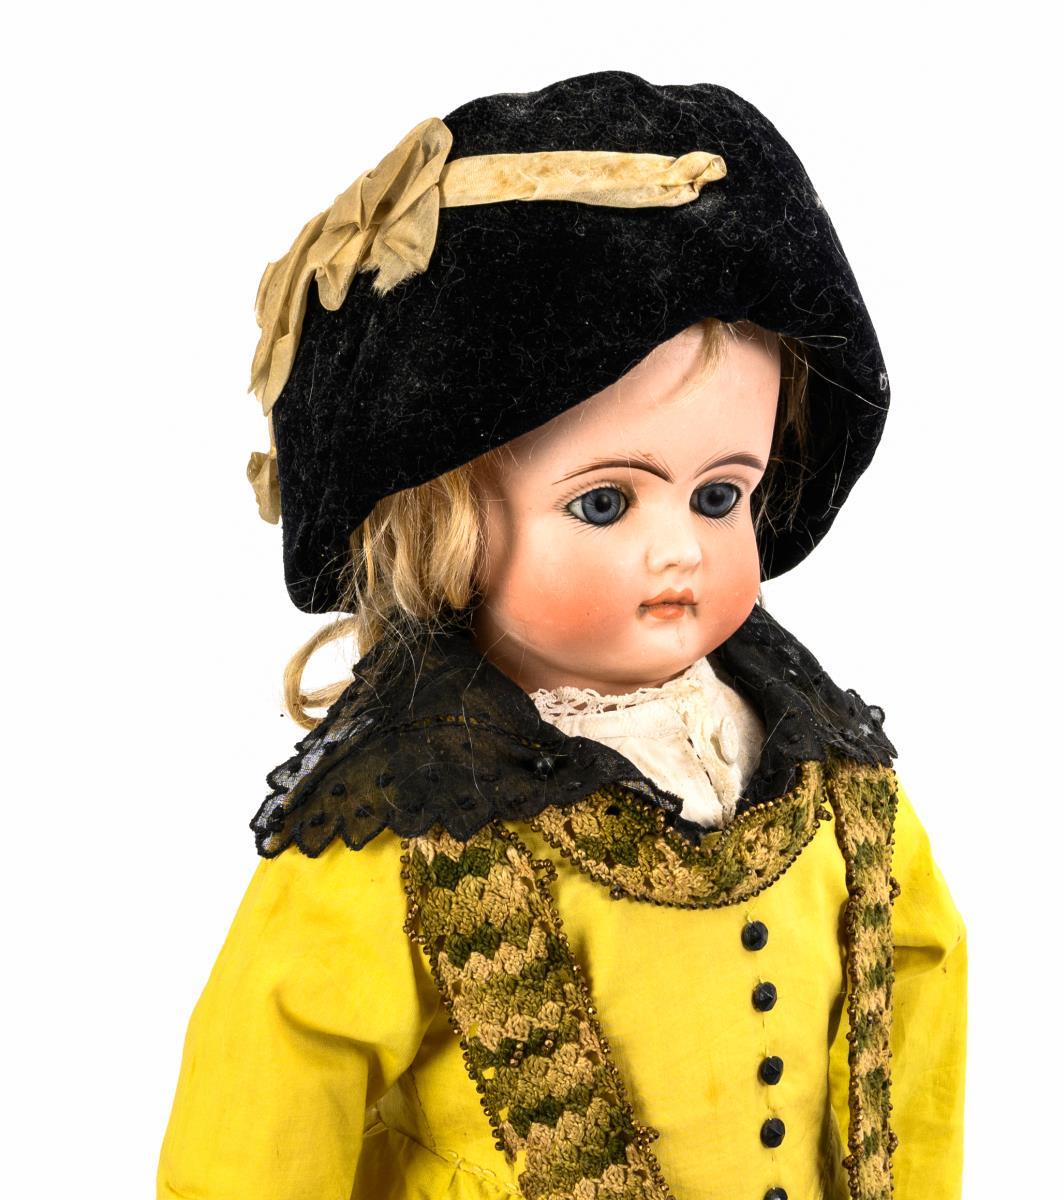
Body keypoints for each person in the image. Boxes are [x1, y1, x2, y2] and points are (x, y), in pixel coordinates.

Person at [157, 71, 967, 1200]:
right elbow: (268, 1107)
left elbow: (913, 987)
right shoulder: (410, 826)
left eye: (720, 495)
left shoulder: (825, 777)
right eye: (604, 502)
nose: (681, 550)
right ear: (445, 522)